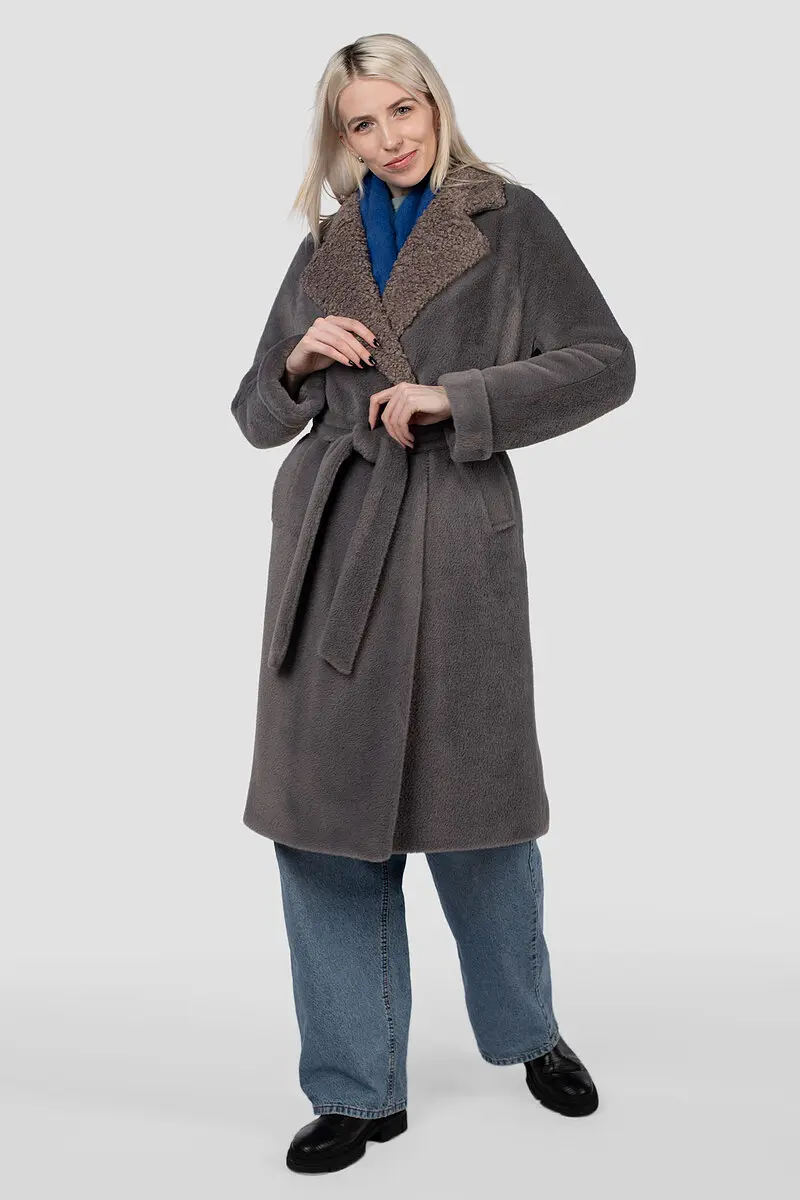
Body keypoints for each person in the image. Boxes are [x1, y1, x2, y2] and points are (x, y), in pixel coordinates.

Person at [230, 32, 636, 1175]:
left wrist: (458, 399)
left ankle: (527, 1033)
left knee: (482, 819)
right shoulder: (323, 247)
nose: (388, 138)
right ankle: (355, 1089)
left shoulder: (508, 219)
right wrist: (296, 364)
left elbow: (604, 361)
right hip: (330, 554)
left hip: (454, 546)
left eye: (401, 110)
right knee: (323, 828)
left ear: (434, 104)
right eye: (361, 124)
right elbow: (253, 416)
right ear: (340, 139)